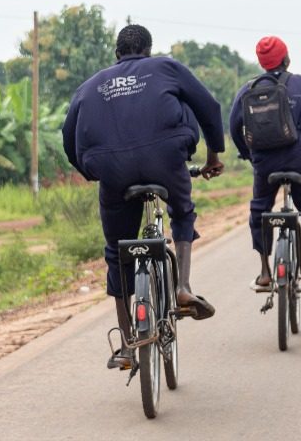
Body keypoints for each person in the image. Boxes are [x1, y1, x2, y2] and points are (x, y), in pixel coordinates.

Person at [62, 24, 224, 370]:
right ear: (148, 50)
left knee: (116, 250)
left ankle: (125, 343)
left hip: (112, 170)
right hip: (166, 160)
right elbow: (209, 107)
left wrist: (92, 170)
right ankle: (181, 286)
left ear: (116, 54)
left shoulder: (91, 85)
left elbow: (68, 134)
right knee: (181, 212)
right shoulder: (166, 68)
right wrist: (213, 156)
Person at [229, 36, 301, 298]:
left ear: (261, 63)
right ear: (287, 59)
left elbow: (234, 126)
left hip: (265, 163)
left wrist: (248, 154)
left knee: (259, 210)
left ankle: (266, 271)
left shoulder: (248, 89)